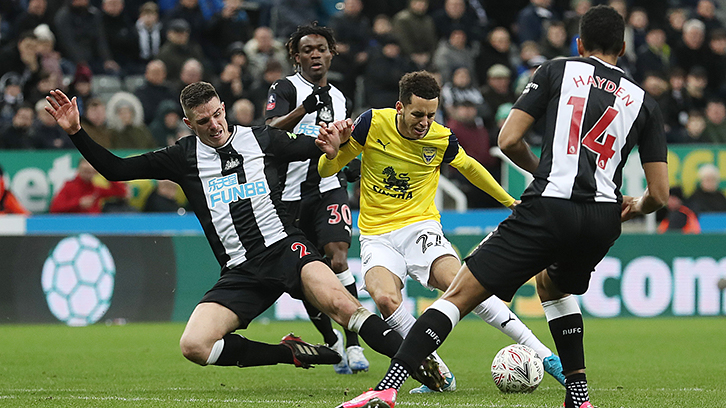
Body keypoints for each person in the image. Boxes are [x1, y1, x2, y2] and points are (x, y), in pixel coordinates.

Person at [335, 6, 669, 408]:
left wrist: (543, 172)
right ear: (624, 46)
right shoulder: (644, 101)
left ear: (579, 44)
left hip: (550, 205)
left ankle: (386, 389)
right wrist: (633, 204)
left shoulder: (556, 70)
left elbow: (509, 140)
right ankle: (579, 399)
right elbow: (660, 196)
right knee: (553, 287)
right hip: (602, 216)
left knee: (459, 294)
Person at [45, 83, 444, 389]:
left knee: (345, 307)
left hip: (287, 249)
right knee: (195, 346)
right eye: (204, 122)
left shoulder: (261, 139)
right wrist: (77, 132)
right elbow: (115, 170)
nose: (215, 125)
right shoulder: (182, 157)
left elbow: (318, 150)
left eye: (218, 114)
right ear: (189, 124)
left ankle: (423, 367)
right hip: (241, 271)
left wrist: (333, 143)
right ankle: (289, 353)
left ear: (223, 108)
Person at [318, 70, 567, 395]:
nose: (424, 122)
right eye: (418, 114)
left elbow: (471, 168)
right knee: (385, 300)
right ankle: (437, 373)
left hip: (419, 227)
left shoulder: (440, 138)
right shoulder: (370, 124)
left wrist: (510, 202)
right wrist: (332, 154)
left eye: (431, 114)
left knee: (462, 286)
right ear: (400, 108)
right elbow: (328, 170)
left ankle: (546, 356)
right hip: (376, 235)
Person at [265, 23, 369, 376]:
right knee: (305, 274)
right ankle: (331, 340)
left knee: (338, 259)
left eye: (320, 48)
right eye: (307, 49)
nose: (314, 54)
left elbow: (342, 142)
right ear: (296, 56)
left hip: (327, 187)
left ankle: (354, 346)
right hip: (288, 198)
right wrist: (302, 110)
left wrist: (350, 163)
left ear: (331, 53)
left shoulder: (340, 97)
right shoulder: (284, 88)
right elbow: (266, 133)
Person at [49, 157, 128, 214]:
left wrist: (105, 172)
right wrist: (78, 203)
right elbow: (54, 208)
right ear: (79, 170)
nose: (88, 173)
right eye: (85, 170)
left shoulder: (96, 189)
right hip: (76, 224)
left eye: (91, 170)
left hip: (95, 225)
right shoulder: (69, 186)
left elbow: (121, 192)